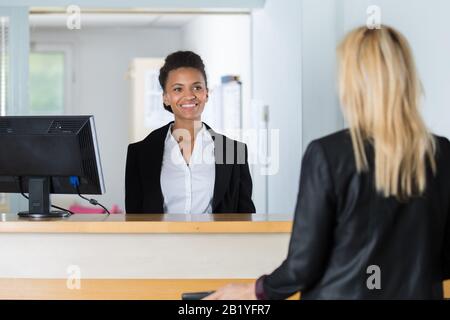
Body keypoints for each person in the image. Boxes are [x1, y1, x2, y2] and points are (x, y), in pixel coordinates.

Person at [205, 25, 450, 299]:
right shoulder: (442, 153)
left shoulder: (328, 154)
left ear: (352, 83)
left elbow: (303, 265)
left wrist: (255, 291)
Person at [125, 51, 256, 214]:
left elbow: (244, 214)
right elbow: (134, 218)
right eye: (178, 89)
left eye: (197, 87)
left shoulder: (233, 151)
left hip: (216, 239)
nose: (189, 96)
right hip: (160, 239)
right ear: (165, 97)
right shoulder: (140, 153)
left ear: (206, 93)